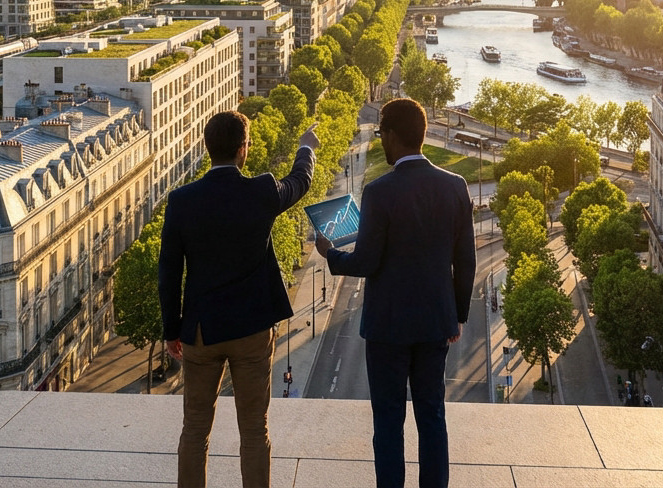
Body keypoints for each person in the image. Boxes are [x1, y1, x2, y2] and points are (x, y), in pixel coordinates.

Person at [316, 98, 476, 488]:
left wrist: (330, 253)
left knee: (388, 421)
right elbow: (466, 260)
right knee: (432, 416)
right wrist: (456, 315)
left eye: (380, 134)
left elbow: (366, 262)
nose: (380, 141)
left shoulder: (379, 191)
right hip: (435, 323)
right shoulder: (455, 186)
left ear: (390, 135)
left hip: (387, 327)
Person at [159, 111, 318, 488]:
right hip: (251, 329)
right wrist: (305, 148)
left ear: (207, 148)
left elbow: (169, 272)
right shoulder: (262, 191)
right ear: (243, 149)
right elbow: (300, 181)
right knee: (254, 430)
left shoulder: (181, 201)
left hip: (201, 331)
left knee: (195, 430)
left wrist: (172, 330)